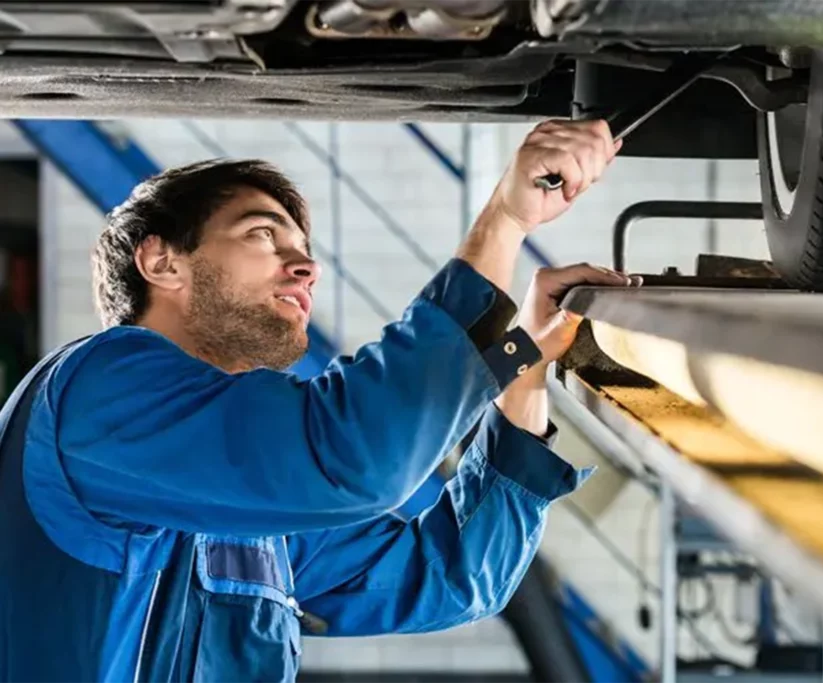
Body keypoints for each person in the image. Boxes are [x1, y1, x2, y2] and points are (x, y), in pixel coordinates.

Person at [0, 119, 635, 682]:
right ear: (162, 262)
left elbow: (450, 578)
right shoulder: (101, 390)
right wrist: (507, 220)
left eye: (303, 251)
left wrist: (523, 360)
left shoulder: (249, 511)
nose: (304, 267)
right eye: (262, 235)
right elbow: (354, 457)